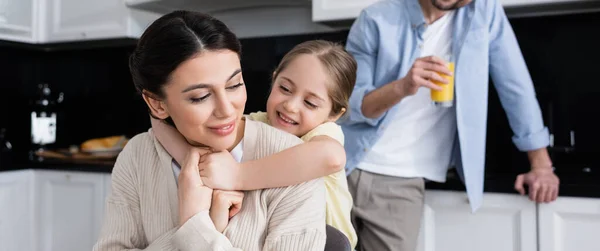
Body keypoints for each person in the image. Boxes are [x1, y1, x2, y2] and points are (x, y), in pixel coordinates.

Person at [93, 10, 327, 251]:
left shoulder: (293, 163)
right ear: (157, 104)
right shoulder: (138, 156)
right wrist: (204, 225)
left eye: (235, 85)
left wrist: (196, 228)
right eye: (200, 97)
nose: (226, 110)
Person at [340, 0, 561, 250]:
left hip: (401, 181)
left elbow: (515, 87)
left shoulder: (484, 13)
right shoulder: (376, 18)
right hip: (339, 167)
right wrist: (402, 87)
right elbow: (351, 106)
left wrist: (541, 165)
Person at [152, 39, 358, 249]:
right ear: (274, 78)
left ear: (333, 113)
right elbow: (159, 123)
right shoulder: (256, 124)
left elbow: (332, 157)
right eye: (285, 88)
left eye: (310, 103)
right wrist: (191, 159)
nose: (291, 105)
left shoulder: (323, 132)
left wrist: (237, 176)